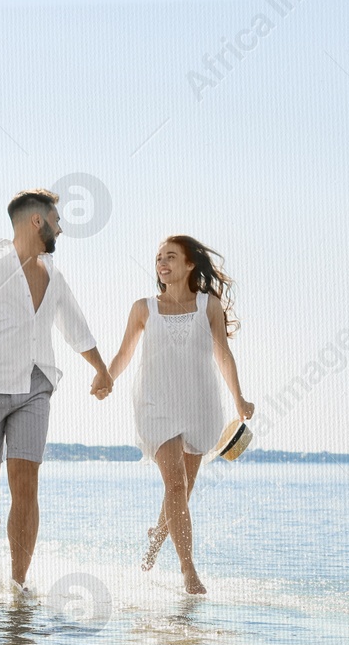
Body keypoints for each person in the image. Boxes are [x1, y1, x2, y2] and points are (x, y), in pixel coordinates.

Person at [0, 189, 112, 590]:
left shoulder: (54, 274)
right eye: (57, 221)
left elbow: (75, 326)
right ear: (37, 221)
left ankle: (19, 584)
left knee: (26, 481)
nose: (61, 229)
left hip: (37, 384)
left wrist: (101, 368)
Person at [107, 236, 254, 594]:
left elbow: (223, 355)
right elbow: (125, 352)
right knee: (175, 484)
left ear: (190, 264)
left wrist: (239, 399)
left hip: (199, 402)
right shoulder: (143, 308)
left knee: (182, 489)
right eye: (158, 258)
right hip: (155, 403)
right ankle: (189, 572)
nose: (162, 263)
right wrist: (106, 378)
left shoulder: (210, 307)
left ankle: (157, 539)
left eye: (170, 257)